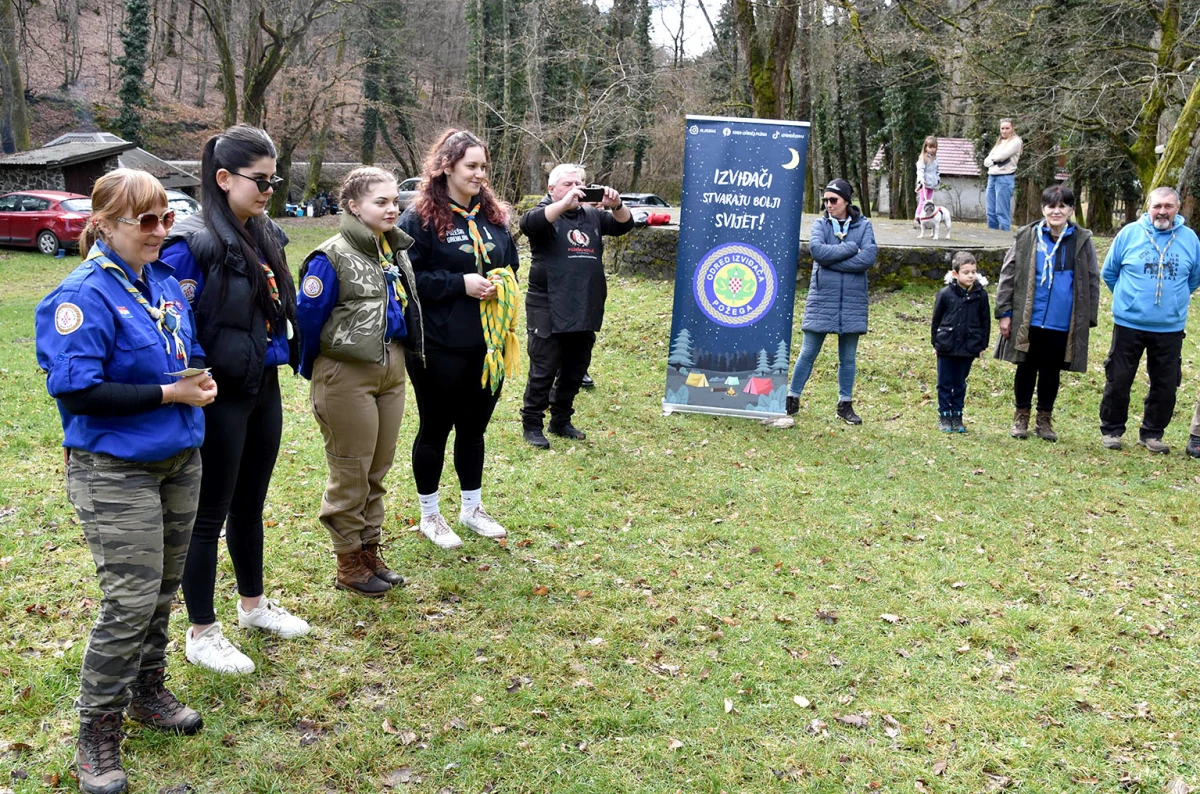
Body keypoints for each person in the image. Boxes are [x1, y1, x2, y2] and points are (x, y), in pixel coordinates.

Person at [35, 169, 216, 794]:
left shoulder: (161, 279)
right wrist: (170, 393)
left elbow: (173, 351)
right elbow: (77, 390)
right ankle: (97, 732)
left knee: (163, 588)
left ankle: (147, 691)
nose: (162, 231)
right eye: (146, 221)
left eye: (167, 217)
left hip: (177, 459)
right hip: (115, 469)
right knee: (128, 602)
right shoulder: (81, 295)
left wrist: (194, 385)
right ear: (104, 224)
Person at [160, 124, 310, 675]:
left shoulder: (264, 233)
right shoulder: (191, 244)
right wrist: (195, 377)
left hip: (260, 383)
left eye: (275, 180)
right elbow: (174, 322)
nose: (270, 190)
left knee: (251, 504)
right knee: (208, 513)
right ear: (223, 179)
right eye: (260, 180)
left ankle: (253, 606)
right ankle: (202, 631)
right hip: (216, 392)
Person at [297, 167, 418, 596]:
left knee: (378, 469)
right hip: (346, 374)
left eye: (393, 201)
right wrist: (320, 373)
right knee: (351, 470)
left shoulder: (393, 251)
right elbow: (308, 320)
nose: (391, 208)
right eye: (380, 201)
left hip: (392, 369)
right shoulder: (329, 257)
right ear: (353, 206)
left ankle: (370, 550)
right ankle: (348, 561)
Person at [398, 129, 520, 549]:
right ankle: (430, 515)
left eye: (484, 167)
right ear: (445, 166)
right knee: (435, 429)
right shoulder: (419, 219)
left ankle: (471, 508)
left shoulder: (494, 217)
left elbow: (512, 264)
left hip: (489, 346)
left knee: (474, 428)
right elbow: (407, 279)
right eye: (471, 166)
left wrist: (502, 285)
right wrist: (458, 283)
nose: (480, 174)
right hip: (439, 344)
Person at [519, 163, 634, 448]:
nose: (574, 190)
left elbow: (625, 225)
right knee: (544, 368)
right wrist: (562, 204)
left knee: (575, 367)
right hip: (547, 303)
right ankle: (532, 423)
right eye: (567, 184)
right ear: (551, 189)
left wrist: (617, 204)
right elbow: (528, 224)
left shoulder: (592, 215)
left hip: (584, 301)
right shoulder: (543, 213)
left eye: (579, 184)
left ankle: (561, 419)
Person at [994, 184, 1100, 441]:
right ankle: (1021, 418)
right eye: (1051, 206)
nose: (1056, 211)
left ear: (1071, 210)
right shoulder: (1028, 236)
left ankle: (1044, 420)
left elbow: (1092, 278)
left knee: (1051, 371)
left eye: (1062, 206)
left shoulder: (1081, 240)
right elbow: (1008, 274)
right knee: (1026, 367)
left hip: (1062, 321)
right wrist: (1004, 312)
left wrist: (1088, 318)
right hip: (1029, 317)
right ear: (1043, 209)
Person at [1098, 186, 1200, 453]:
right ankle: (1112, 430)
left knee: (1165, 384)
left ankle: (1153, 434)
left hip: (1169, 327)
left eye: (1168, 206)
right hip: (1129, 324)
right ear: (1148, 207)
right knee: (1118, 379)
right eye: (1157, 206)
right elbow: (1109, 273)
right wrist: (1129, 301)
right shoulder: (1129, 234)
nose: (1162, 211)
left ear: (1178, 209)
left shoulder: (1190, 239)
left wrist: (1173, 302)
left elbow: (1194, 279)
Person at [786, 178, 876, 424]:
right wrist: (850, 248)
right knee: (807, 353)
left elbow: (868, 257)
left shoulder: (865, 226)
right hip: (821, 299)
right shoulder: (820, 224)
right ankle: (791, 399)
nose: (828, 204)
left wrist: (832, 262)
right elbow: (817, 251)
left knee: (848, 358)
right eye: (825, 200)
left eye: (833, 200)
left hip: (852, 301)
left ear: (846, 201)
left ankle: (844, 405)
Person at [931, 252, 991, 433]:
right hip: (946, 345)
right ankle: (944, 415)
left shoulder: (981, 296)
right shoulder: (945, 294)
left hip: (968, 347)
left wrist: (982, 346)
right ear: (955, 273)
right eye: (966, 272)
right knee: (944, 382)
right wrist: (936, 343)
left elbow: (985, 322)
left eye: (973, 271)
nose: (971, 275)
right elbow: (936, 320)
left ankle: (957, 415)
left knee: (960, 383)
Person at [984, 118, 1022, 231]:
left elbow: (1001, 156)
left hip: (1005, 177)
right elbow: (988, 159)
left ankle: (1004, 237)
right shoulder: (999, 142)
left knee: (1001, 211)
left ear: (1012, 128)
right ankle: (992, 236)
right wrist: (992, 160)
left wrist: (994, 160)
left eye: (1007, 128)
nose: (1004, 131)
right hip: (992, 176)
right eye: (1002, 128)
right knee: (990, 211)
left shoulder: (1016, 141)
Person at [915, 135, 940, 226]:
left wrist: (937, 179)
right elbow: (920, 170)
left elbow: (937, 171)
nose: (932, 149)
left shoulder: (935, 159)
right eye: (930, 147)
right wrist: (921, 180)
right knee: (923, 201)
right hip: (924, 184)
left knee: (930, 202)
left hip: (931, 184)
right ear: (925, 147)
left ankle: (927, 219)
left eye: (934, 147)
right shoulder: (923, 158)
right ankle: (918, 217)